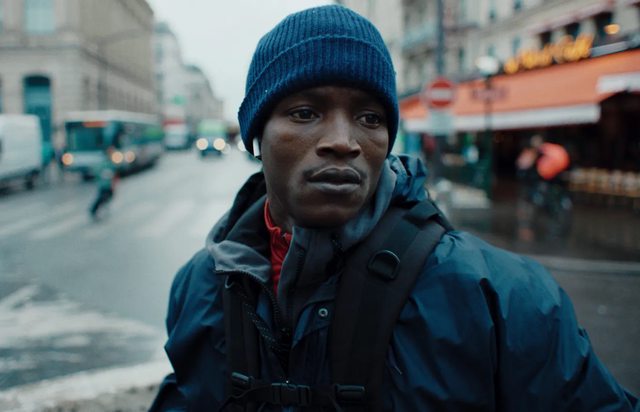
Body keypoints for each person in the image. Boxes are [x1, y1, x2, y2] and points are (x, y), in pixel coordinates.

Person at [150, 6, 638, 411]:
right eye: (305, 112)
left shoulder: (507, 299)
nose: (343, 141)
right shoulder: (200, 286)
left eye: (369, 117)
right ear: (256, 135)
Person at [89, 147, 118, 219]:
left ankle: (101, 208)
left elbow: (114, 174)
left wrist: (113, 184)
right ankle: (93, 210)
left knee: (107, 196)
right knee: (102, 197)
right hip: (103, 184)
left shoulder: (111, 163)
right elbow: (97, 172)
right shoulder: (103, 163)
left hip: (108, 184)